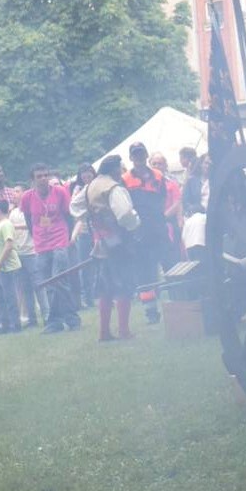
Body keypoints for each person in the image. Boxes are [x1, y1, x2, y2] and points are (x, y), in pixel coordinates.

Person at [71, 155, 140, 342]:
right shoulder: (114, 188)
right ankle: (124, 331)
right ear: (115, 170)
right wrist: (135, 225)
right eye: (120, 169)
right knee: (124, 285)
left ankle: (104, 332)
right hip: (120, 243)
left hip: (102, 243)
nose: (122, 172)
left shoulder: (90, 187)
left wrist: (95, 215)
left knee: (106, 288)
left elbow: (75, 207)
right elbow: (125, 214)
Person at [20, 164, 80, 334]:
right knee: (49, 283)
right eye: (39, 176)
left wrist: (67, 237)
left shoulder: (60, 192)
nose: (43, 178)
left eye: (45, 175)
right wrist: (36, 236)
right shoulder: (27, 197)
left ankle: (67, 318)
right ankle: (60, 320)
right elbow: (28, 219)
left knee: (59, 278)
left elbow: (69, 216)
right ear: (32, 180)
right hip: (41, 243)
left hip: (59, 240)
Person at [124, 142, 174, 324]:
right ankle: (151, 312)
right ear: (131, 157)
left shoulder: (158, 176)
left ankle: (178, 302)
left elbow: (163, 198)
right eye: (135, 154)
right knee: (144, 272)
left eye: (141, 153)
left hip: (158, 227)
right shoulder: (125, 179)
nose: (138, 157)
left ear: (145, 155)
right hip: (139, 231)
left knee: (170, 265)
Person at [10, 184, 42, 327]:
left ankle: (47, 314)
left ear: (24, 193)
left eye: (17, 191)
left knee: (39, 285)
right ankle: (31, 318)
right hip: (19, 254)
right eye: (13, 192)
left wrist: (16, 227)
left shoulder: (30, 209)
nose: (14, 194)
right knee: (25, 288)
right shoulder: (13, 213)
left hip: (32, 252)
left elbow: (37, 224)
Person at [0, 198, 22, 332]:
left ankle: (15, 325)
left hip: (7, 267)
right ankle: (5, 324)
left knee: (10, 296)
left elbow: (8, 245)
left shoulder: (6, 224)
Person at [67, 163, 97, 309]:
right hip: (83, 231)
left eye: (88, 171)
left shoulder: (98, 185)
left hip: (98, 230)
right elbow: (75, 210)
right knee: (84, 266)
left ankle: (101, 295)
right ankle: (87, 298)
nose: (86, 175)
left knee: (100, 264)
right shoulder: (77, 190)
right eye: (83, 172)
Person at [151, 152, 183, 258]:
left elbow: (177, 203)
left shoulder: (171, 183)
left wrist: (163, 217)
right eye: (154, 164)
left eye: (159, 164)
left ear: (165, 166)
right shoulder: (145, 184)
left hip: (169, 221)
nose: (157, 166)